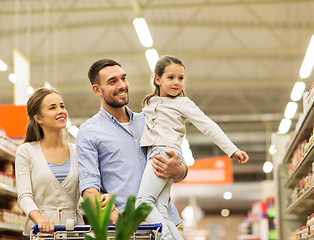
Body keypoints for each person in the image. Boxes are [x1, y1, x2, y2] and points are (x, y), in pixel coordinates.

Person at [135, 55, 250, 239]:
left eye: (180, 78)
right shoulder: (150, 103)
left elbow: (208, 125)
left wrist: (232, 150)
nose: (177, 83)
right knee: (161, 210)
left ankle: (165, 238)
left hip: (165, 153)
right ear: (157, 79)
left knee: (143, 204)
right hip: (157, 153)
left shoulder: (183, 103)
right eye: (170, 77)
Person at [76, 59, 188, 229]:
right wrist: (116, 218)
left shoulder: (149, 120)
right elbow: (89, 189)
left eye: (124, 78)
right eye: (113, 81)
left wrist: (178, 170)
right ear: (97, 89)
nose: (122, 85)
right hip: (128, 228)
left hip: (168, 222)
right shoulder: (89, 132)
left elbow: (180, 168)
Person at [15, 88, 84, 239]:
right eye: (53, 108)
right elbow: (24, 195)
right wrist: (40, 221)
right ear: (39, 118)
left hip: (74, 232)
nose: (61, 111)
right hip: (40, 234)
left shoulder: (78, 151)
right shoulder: (26, 151)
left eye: (62, 106)